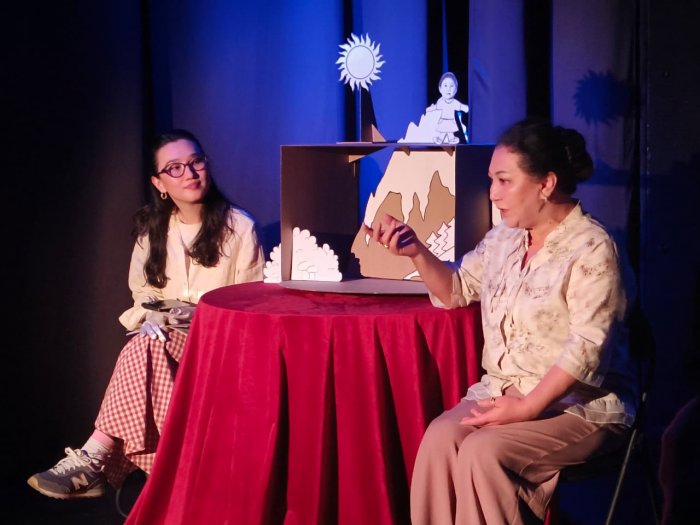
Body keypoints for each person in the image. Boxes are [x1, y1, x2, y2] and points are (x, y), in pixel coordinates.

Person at [362, 118, 636, 524]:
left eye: (505, 181)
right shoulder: (504, 239)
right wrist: (416, 251)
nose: (493, 193)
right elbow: (456, 289)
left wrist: (526, 407)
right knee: (440, 439)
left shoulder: (593, 248)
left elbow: (586, 350)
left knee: (483, 451)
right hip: (504, 392)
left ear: (546, 184)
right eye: (492, 180)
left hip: (578, 407)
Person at [27, 129, 264, 499]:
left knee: (142, 348)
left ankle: (96, 461)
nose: (189, 173)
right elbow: (142, 292)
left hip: (220, 349)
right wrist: (150, 315)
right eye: (174, 167)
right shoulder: (153, 230)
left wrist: (198, 316)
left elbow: (250, 304)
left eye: (196, 162)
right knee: (145, 343)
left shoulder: (240, 227)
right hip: (166, 348)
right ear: (159, 183)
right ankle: (171, 472)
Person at [426, 72, 469, 144]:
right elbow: (436, 107)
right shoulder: (440, 101)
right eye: (445, 85)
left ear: (456, 90)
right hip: (443, 120)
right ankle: (440, 139)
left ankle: (451, 139)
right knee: (443, 131)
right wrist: (429, 109)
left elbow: (461, 106)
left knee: (449, 131)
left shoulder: (454, 102)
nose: (448, 89)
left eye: (451, 86)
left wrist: (466, 108)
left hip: (451, 120)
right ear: (440, 88)